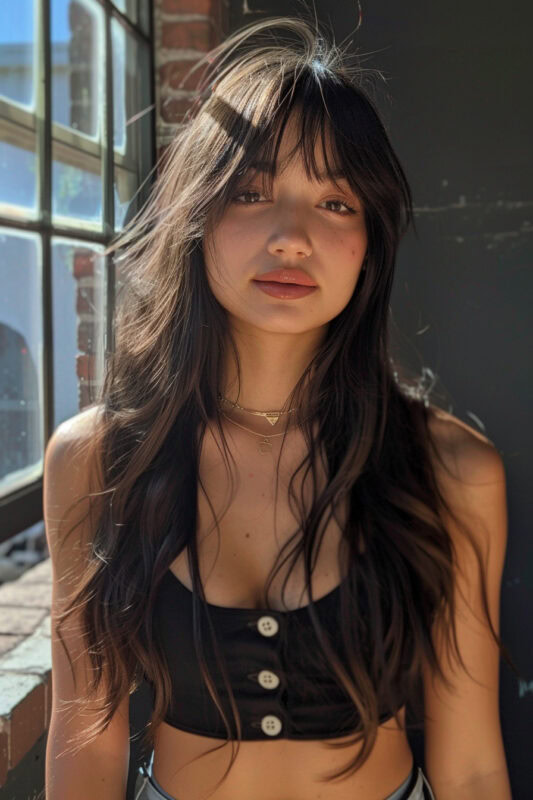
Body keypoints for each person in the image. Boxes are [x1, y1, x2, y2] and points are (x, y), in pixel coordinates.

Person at [43, 14, 516, 800]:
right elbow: (84, 744)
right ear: (197, 219)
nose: (292, 236)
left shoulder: (450, 467)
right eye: (251, 192)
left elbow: (468, 764)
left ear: (370, 239)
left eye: (335, 203)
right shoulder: (96, 458)